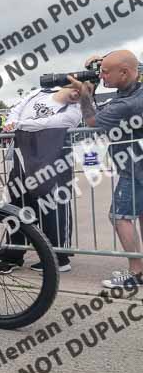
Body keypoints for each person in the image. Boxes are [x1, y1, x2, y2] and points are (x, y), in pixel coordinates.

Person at [72, 50, 143, 290]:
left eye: (105, 71)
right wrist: (103, 61)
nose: (101, 75)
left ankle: (136, 272)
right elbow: (131, 64)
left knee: (120, 217)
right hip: (135, 167)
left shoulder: (128, 103)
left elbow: (93, 122)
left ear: (124, 73)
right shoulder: (132, 90)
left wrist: (84, 94)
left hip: (134, 170)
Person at [0, 86, 83, 273]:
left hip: (54, 154)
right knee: (16, 201)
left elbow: (68, 121)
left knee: (52, 203)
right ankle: (13, 253)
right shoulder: (37, 92)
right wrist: (14, 122)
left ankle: (58, 257)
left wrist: (23, 124)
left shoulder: (76, 100)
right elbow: (16, 110)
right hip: (24, 152)